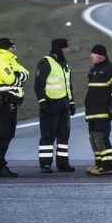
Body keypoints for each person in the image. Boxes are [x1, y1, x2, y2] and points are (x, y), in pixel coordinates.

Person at [0, 38, 29, 178]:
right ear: (9, 48)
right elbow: (11, 80)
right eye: (14, 47)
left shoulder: (10, 60)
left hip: (10, 101)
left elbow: (26, 73)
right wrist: (17, 76)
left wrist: (17, 75)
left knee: (7, 133)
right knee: (4, 133)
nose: (15, 49)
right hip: (4, 101)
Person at [34, 38, 76, 173]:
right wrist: (42, 102)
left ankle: (63, 164)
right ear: (59, 48)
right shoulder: (45, 62)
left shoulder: (64, 63)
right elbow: (38, 84)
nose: (68, 50)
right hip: (50, 104)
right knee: (48, 136)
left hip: (64, 104)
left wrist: (71, 102)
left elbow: (68, 85)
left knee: (64, 136)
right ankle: (45, 165)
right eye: (65, 48)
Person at [84, 44, 112, 175]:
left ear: (102, 55)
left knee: (101, 138)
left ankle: (108, 166)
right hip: (91, 112)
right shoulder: (93, 70)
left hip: (103, 112)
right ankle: (99, 165)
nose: (91, 56)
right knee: (94, 139)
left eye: (94, 53)